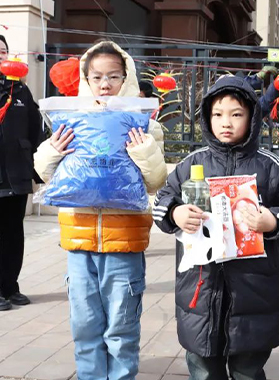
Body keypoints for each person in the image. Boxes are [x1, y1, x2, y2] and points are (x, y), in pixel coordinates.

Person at [152, 75, 279, 380]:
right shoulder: (190, 164)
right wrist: (175, 213)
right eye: (218, 114)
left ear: (252, 116)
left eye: (236, 114)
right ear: (206, 118)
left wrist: (272, 221)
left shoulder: (270, 166)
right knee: (203, 369)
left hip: (254, 293)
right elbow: (161, 202)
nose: (226, 122)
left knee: (247, 369)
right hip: (200, 291)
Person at [33, 40, 168, 379]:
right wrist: (52, 150)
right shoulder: (71, 121)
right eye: (97, 77)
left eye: (113, 76)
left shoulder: (145, 125)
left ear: (127, 78)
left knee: (121, 329)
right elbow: (45, 174)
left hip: (124, 243)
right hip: (78, 243)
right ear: (86, 80)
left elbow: (155, 182)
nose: (105, 84)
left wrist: (144, 152)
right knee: (84, 325)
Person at [0, 34, 43, 311]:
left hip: (16, 173)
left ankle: (10, 287)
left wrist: (39, 166)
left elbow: (35, 128)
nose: (0, 55)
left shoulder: (19, 90)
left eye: (3, 51)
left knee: (14, 234)